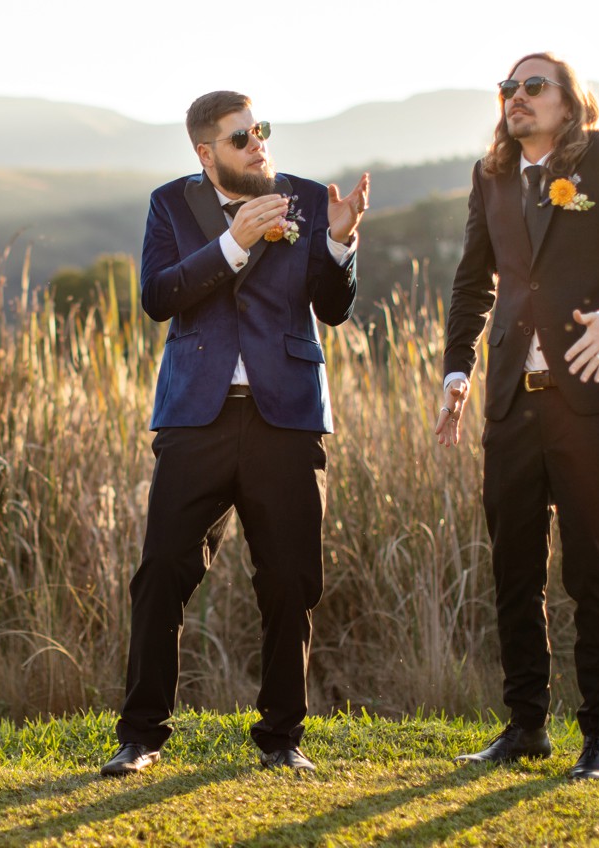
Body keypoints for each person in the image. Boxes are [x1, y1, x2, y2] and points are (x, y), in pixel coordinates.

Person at [100, 91, 369, 776]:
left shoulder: (306, 198)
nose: (257, 145)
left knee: (291, 579)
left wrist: (338, 242)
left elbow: (333, 310)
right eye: (240, 137)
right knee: (162, 570)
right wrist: (233, 242)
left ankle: (282, 738)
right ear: (205, 153)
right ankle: (141, 737)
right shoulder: (171, 204)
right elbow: (158, 296)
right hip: (198, 416)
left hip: (287, 414)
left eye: (261, 132)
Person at [435, 53, 599, 781]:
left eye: (533, 86)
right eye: (508, 88)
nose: (516, 97)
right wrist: (457, 371)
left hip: (590, 395)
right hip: (512, 398)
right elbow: (474, 282)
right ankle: (525, 728)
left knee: (590, 568)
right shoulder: (492, 176)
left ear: (570, 104)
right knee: (513, 569)